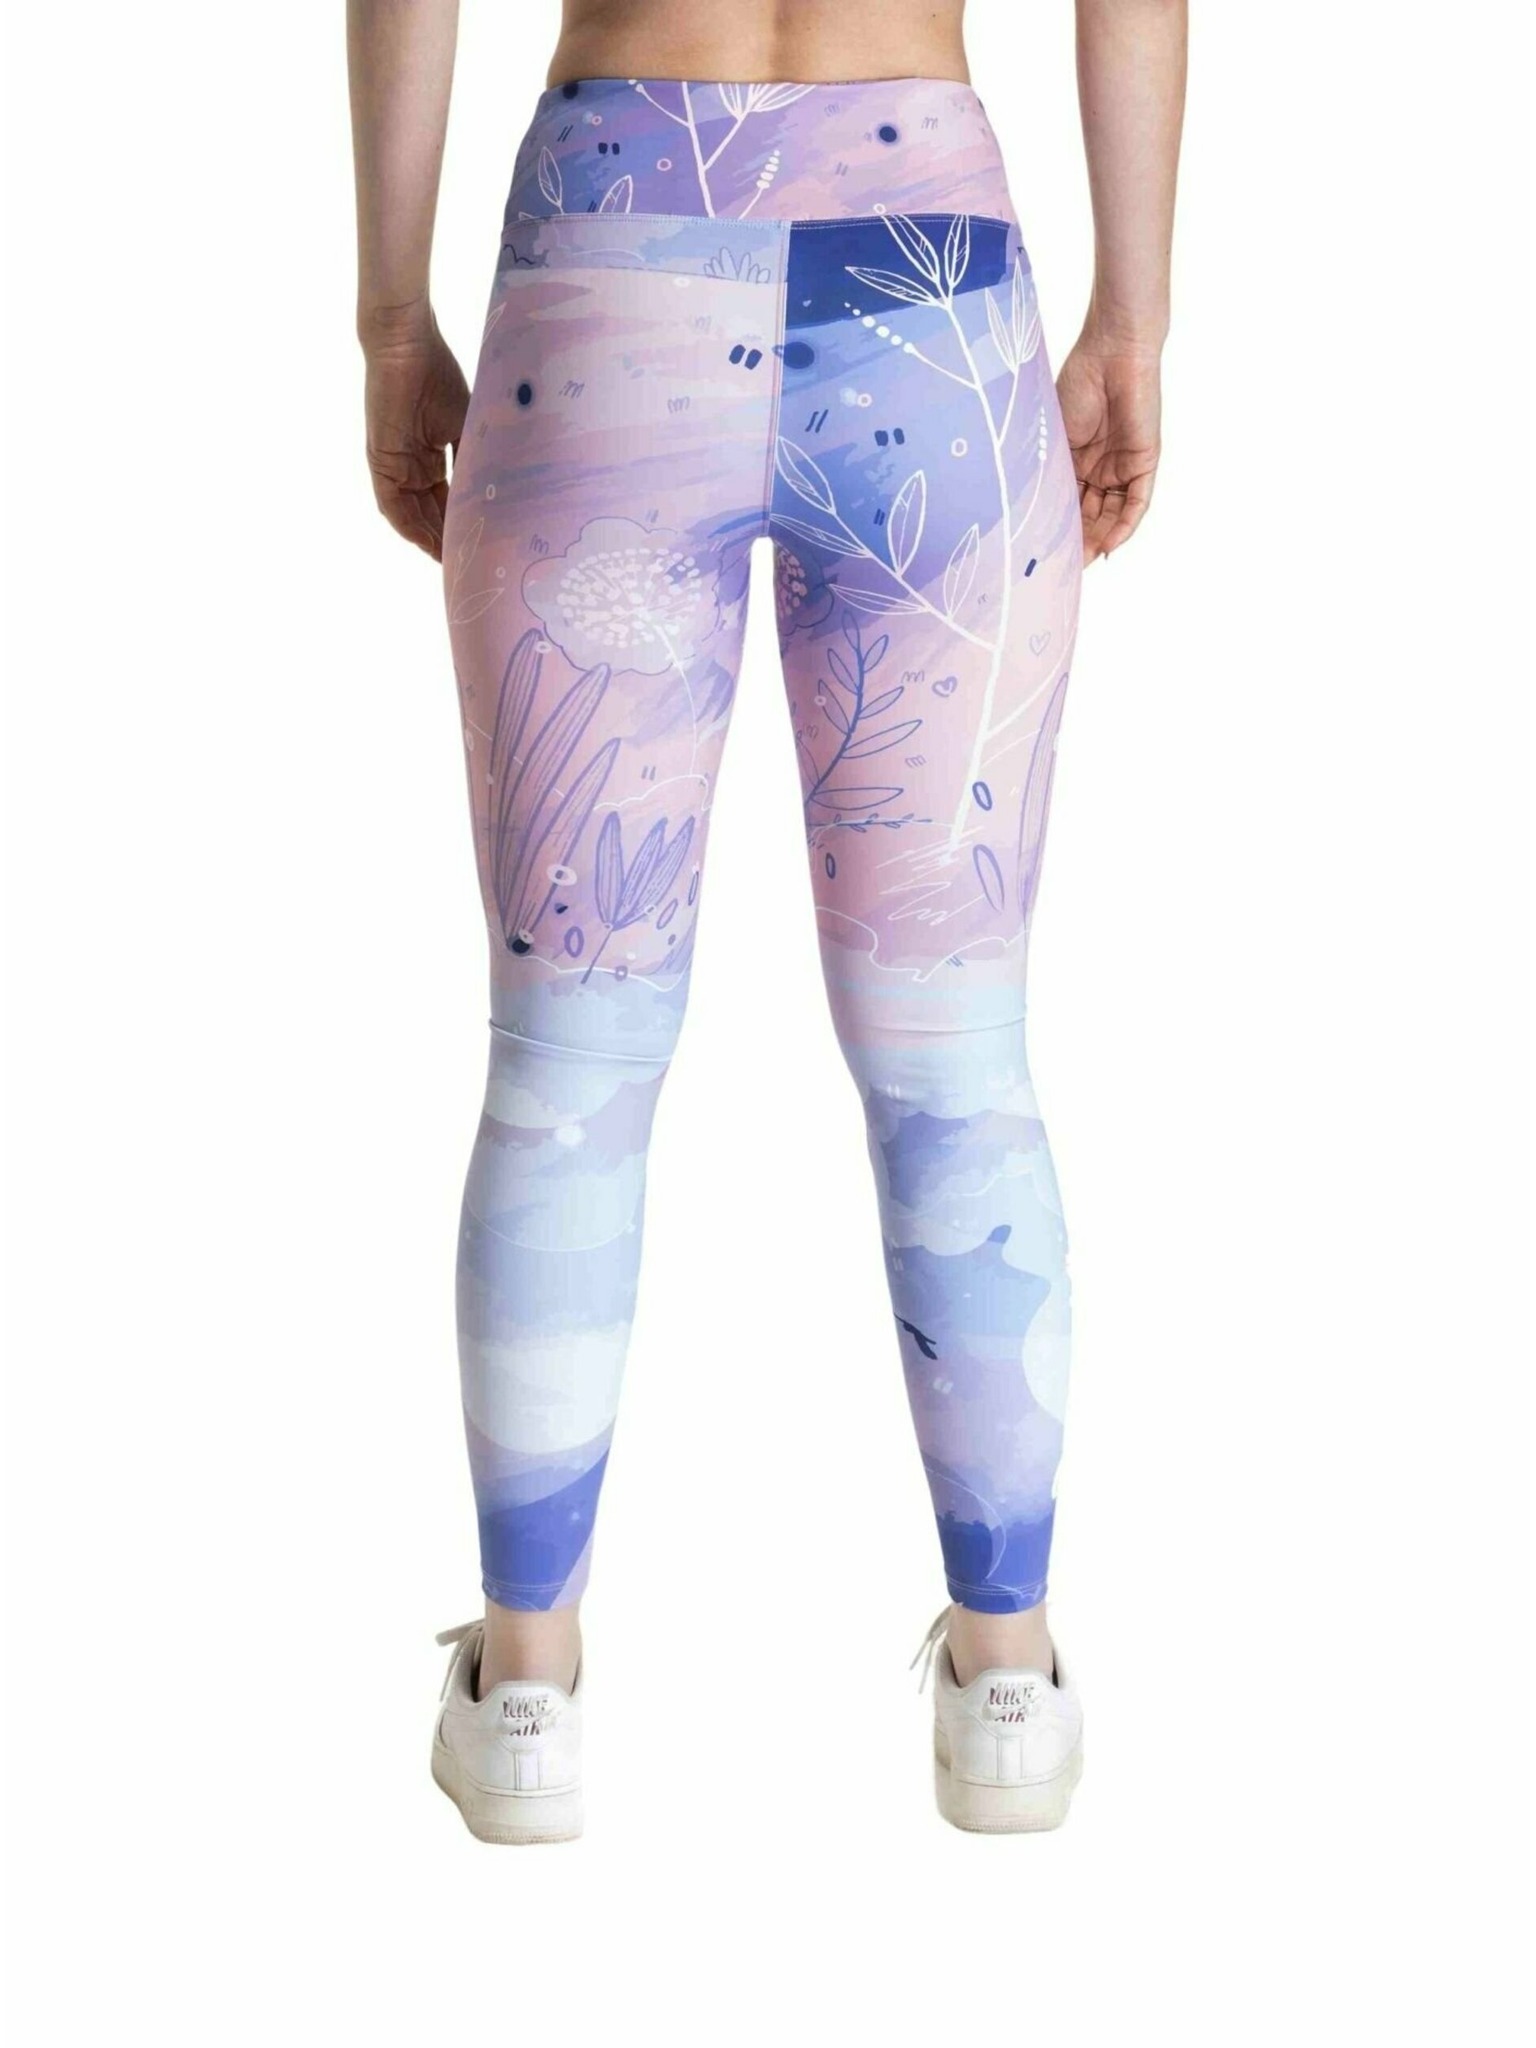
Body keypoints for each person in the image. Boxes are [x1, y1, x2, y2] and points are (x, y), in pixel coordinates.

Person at [348, 0, 1185, 1841]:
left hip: (608, 250)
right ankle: (1010, 1675)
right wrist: (1134, 310)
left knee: (569, 1064)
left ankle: (528, 1687)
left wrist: (392, 311)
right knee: (957, 1061)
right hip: (931, 277)